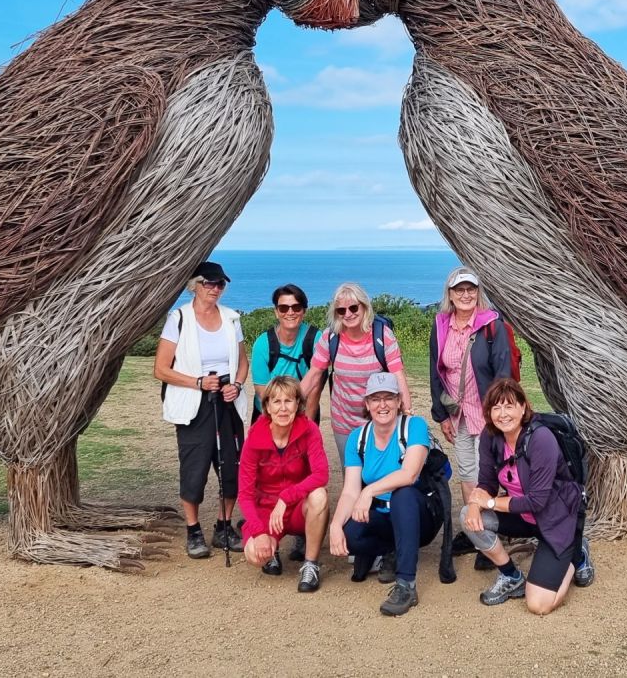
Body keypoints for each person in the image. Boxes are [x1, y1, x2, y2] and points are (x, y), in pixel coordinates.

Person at [463, 377, 595, 615]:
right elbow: (486, 483)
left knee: (538, 604)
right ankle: (511, 576)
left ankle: (576, 554)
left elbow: (537, 501)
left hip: (555, 518)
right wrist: (474, 504)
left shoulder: (541, 438)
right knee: (467, 517)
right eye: (496, 407)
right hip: (522, 516)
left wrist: (490, 503)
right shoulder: (491, 437)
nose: (503, 414)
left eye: (509, 405)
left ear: (523, 407)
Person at [153, 260, 249, 559]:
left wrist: (238, 384)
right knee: (194, 468)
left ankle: (223, 526)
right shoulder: (179, 318)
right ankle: (193, 530)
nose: (215, 289)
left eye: (220, 284)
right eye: (209, 283)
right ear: (195, 285)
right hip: (194, 403)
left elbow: (242, 361)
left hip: (227, 401)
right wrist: (197, 382)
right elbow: (161, 369)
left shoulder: (232, 319)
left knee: (232, 466)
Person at [328, 372, 437, 616]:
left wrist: (370, 491)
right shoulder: (358, 438)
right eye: (375, 399)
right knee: (350, 536)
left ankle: (406, 584)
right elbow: (349, 491)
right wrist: (335, 525)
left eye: (389, 398)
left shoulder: (414, 426)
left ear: (399, 401)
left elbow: (409, 475)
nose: (383, 405)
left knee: (402, 494)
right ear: (366, 404)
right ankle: (391, 549)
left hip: (420, 514)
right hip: (383, 514)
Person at [428, 267, 515, 557]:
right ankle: (474, 528)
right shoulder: (441, 325)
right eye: (459, 290)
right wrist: (441, 414)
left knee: (485, 473)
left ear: (478, 293)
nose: (465, 295)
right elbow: (435, 371)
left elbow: (503, 373)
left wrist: (500, 414)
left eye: (471, 289)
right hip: (457, 414)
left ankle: (488, 534)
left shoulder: (492, 325)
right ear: (450, 295)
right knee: (466, 472)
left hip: (486, 414)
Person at [238, 376, 330, 592]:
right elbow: (245, 493)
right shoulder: (254, 438)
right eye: (276, 402)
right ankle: (272, 550)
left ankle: (310, 564)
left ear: (298, 404)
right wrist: (259, 532)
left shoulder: (309, 430)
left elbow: (321, 474)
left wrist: (286, 497)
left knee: (319, 495)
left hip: (296, 505)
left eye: (288, 401)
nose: (283, 408)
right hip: (267, 510)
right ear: (267, 407)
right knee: (255, 555)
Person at [302, 282, 412, 443]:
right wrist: (289, 401)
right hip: (343, 422)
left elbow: (398, 376)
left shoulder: (383, 335)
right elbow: (313, 374)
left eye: (353, 308)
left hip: (380, 419)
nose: (348, 314)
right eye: (341, 310)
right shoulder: (330, 337)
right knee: (349, 468)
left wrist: (407, 414)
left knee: (382, 468)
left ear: (364, 307)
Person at [250, 284, 320, 422]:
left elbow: (315, 387)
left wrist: (308, 426)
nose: (290, 312)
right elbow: (262, 391)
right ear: (276, 312)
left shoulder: (315, 339)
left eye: (296, 307)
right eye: (283, 308)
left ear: (304, 311)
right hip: (268, 413)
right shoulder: (263, 344)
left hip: (303, 411)